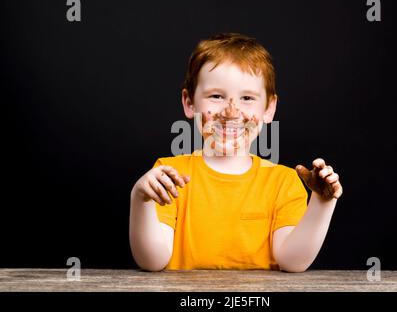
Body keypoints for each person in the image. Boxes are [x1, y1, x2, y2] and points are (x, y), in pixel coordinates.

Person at [129, 32, 343, 272]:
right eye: (217, 96)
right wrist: (140, 199)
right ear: (189, 102)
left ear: (269, 108)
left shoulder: (283, 182)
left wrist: (322, 203)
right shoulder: (169, 175)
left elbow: (292, 262)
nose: (231, 112)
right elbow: (152, 261)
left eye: (247, 98)